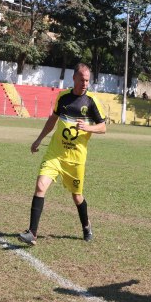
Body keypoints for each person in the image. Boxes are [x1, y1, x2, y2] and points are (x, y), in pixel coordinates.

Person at [18, 63, 106, 245]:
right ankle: (32, 233)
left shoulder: (91, 102)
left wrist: (87, 127)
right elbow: (53, 120)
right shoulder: (63, 97)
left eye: (88, 80)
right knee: (41, 186)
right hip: (56, 153)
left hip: (75, 159)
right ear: (74, 78)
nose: (85, 83)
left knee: (77, 196)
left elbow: (103, 127)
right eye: (82, 79)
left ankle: (86, 226)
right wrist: (39, 139)